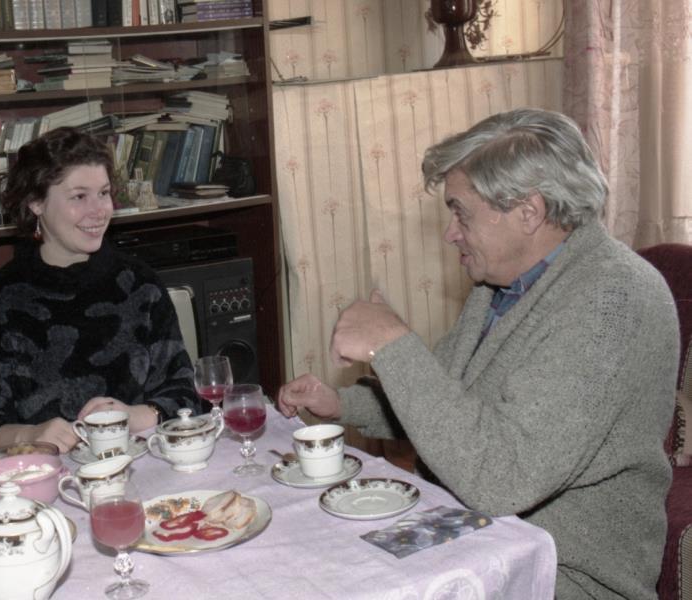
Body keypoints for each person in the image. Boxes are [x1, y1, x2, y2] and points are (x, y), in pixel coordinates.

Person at [277, 108, 678, 600]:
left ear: (528, 211)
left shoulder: (613, 301)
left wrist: (392, 343)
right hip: (471, 536)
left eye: (461, 212)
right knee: (308, 563)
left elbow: (503, 479)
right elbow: (447, 402)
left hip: (560, 572)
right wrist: (341, 404)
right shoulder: (504, 284)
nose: (450, 232)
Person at [0, 127, 199, 458]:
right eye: (79, 197)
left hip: (140, 467)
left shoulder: (141, 285)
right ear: (36, 202)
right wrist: (30, 434)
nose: (99, 210)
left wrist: (132, 416)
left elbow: (185, 397)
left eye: (104, 193)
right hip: (42, 476)